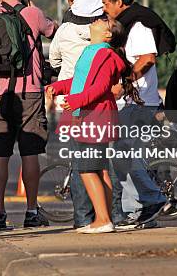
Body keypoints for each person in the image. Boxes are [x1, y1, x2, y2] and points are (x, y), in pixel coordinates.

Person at [0, 0, 57, 230]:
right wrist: (30, 6)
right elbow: (52, 30)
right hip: (29, 93)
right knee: (30, 152)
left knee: (0, 154)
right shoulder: (32, 14)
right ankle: (32, 211)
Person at [47, 17, 139, 233]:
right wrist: (59, 87)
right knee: (98, 169)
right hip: (88, 115)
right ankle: (105, 218)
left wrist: (76, 101)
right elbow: (80, 81)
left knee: (86, 169)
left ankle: (103, 220)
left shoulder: (105, 55)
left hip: (93, 116)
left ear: (108, 35)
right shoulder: (91, 52)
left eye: (104, 21)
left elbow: (99, 87)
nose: (98, 19)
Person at [102, 0, 169, 229]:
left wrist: (124, 81)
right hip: (129, 104)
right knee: (125, 156)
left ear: (119, 2)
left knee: (123, 155)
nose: (104, 8)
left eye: (106, 3)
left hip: (138, 103)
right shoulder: (125, 27)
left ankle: (151, 199)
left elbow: (148, 58)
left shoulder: (138, 27)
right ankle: (138, 211)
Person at [48, 20, 93, 229]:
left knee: (87, 166)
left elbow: (91, 85)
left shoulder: (66, 31)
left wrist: (67, 94)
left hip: (79, 109)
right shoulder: (97, 51)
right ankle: (93, 216)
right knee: (90, 165)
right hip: (84, 109)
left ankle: (88, 217)